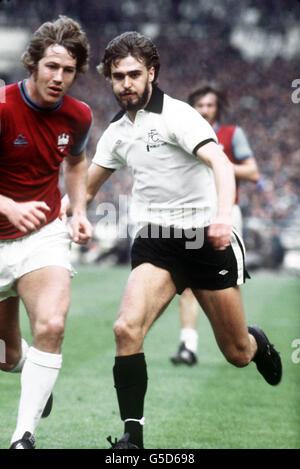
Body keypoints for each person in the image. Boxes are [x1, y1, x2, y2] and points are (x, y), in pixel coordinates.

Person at [62, 31, 281, 449]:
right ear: (109, 79)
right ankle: (133, 437)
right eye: (117, 76)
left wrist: (221, 217)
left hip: (204, 241)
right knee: (126, 328)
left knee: (236, 353)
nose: (125, 83)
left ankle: (259, 343)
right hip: (156, 242)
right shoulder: (116, 131)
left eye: (133, 75)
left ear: (152, 74)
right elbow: (84, 190)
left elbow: (219, 162)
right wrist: (66, 215)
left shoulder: (180, 116)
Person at [0, 16, 93, 449]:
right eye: (51, 66)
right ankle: (35, 374)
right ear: (33, 64)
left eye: (68, 70)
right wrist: (7, 206)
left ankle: (23, 437)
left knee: (52, 325)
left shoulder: (79, 115)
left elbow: (75, 162)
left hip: (42, 237)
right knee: (8, 357)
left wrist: (78, 209)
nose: (59, 78)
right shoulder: (2, 108)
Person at [170, 84, 260, 366]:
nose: (205, 110)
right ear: (192, 108)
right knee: (185, 281)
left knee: (227, 283)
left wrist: (218, 162)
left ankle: (241, 340)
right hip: (192, 215)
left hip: (225, 213)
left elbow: (253, 172)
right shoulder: (182, 134)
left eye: (209, 105)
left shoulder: (232, 135)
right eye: (199, 105)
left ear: (217, 107)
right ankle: (188, 345)